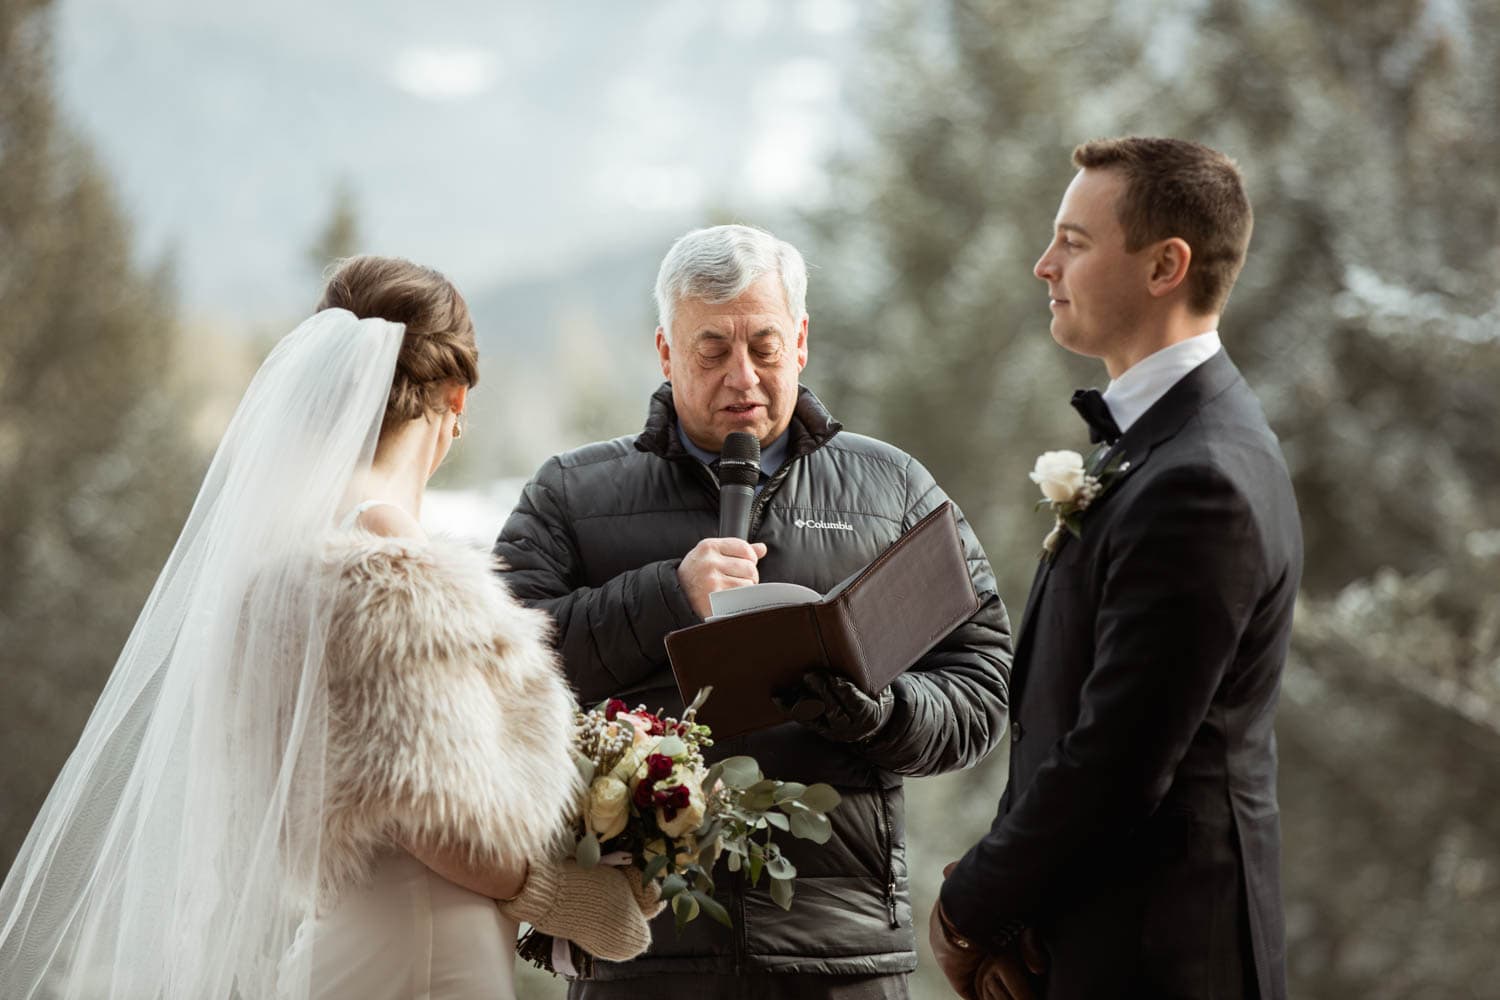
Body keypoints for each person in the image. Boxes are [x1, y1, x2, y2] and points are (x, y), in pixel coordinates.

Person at [0, 255, 654, 1000]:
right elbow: (426, 818)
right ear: (455, 397)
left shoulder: (286, 551)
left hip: (365, 931)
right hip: (427, 946)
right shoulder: (390, 562)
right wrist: (569, 897)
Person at [493, 224, 1014, 1000]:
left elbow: (984, 684)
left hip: (840, 952)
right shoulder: (572, 493)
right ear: (666, 353)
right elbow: (498, 674)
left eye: (764, 347)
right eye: (712, 350)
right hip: (639, 952)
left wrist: (880, 713)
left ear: (800, 341)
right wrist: (667, 594)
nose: (744, 377)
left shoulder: (894, 490)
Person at [930, 138, 1302, 1000]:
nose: (1042, 264)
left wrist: (971, 907)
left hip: (1162, 959)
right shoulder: (1162, 449)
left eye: (1075, 242)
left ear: (1166, 266)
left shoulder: (1200, 479)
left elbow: (1119, 758)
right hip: (1100, 944)